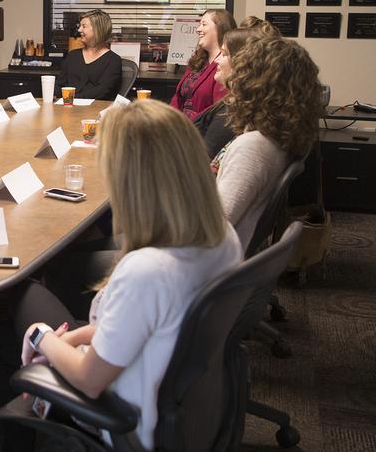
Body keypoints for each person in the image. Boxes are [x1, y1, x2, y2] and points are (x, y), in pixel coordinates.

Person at [14, 100, 242, 450]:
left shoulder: (147, 271)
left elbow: (90, 380)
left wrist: (41, 337)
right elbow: (146, 323)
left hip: (120, 418)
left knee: (20, 296)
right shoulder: (224, 236)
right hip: (186, 402)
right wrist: (71, 340)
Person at [213, 35, 322, 250]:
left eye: (242, 71)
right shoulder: (276, 136)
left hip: (208, 263)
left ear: (254, 83)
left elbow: (212, 226)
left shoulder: (253, 147)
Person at [194, 21, 280, 158]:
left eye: (224, 54)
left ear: (243, 63)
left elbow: (201, 162)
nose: (217, 60)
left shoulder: (232, 114)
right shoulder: (244, 103)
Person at [171, 9, 236, 119]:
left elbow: (219, 112)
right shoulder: (198, 60)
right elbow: (178, 99)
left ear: (220, 28)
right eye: (199, 24)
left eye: (204, 24)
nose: (198, 29)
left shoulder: (225, 66)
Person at [58, 10, 123, 101]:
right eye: (79, 26)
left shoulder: (113, 60)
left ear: (98, 29)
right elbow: (59, 85)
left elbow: (102, 91)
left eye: (84, 26)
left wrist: (72, 98)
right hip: (66, 107)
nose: (79, 30)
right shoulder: (72, 56)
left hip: (96, 110)